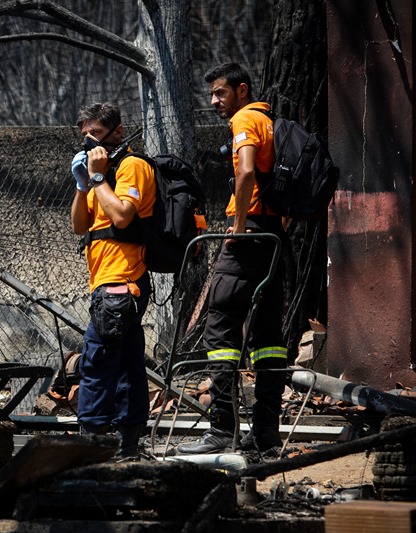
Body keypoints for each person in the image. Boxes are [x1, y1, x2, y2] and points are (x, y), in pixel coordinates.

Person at [175, 63, 288, 455]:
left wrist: (236, 226)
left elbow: (244, 173)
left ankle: (223, 428)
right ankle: (266, 433)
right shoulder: (273, 121)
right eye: (211, 95)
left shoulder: (245, 119)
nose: (213, 102)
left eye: (220, 93)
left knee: (221, 331)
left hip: (247, 237)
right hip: (274, 239)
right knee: (269, 340)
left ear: (241, 91)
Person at [71, 102, 156, 461]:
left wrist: (97, 177)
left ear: (118, 132)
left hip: (122, 282)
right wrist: (81, 184)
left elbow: (122, 217)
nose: (90, 143)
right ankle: (128, 446)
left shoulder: (131, 167)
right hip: (105, 283)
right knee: (127, 366)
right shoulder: (99, 175)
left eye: (96, 135)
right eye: (85, 136)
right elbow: (79, 227)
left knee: (96, 365)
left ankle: (90, 444)